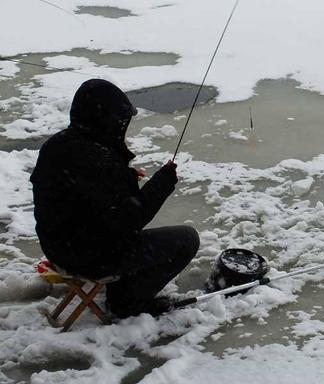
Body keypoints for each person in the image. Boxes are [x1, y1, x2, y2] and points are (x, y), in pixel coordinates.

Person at [30, 78, 200, 318]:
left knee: (117, 236)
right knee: (186, 240)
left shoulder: (59, 144)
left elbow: (83, 193)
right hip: (89, 257)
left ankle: (121, 285)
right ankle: (126, 303)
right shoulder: (100, 160)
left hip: (57, 246)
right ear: (106, 120)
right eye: (120, 121)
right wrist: (163, 182)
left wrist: (125, 177)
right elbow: (131, 220)